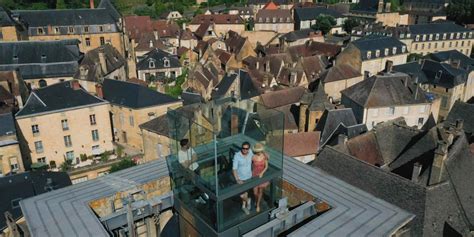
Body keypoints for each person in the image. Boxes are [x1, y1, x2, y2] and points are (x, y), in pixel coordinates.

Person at [233, 141, 254, 215]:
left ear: (249, 149)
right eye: (243, 148)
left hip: (249, 178)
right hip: (240, 179)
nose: (244, 150)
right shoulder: (237, 156)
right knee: (242, 195)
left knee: (245, 194)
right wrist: (237, 179)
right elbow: (234, 169)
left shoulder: (251, 152)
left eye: (246, 148)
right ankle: (248, 201)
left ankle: (244, 206)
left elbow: (259, 150)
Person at [252, 142, 269, 213]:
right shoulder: (253, 157)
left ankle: (258, 204)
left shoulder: (264, 156)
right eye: (257, 151)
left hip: (262, 175)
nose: (258, 152)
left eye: (259, 151)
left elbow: (266, 166)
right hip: (255, 175)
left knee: (260, 191)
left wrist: (262, 173)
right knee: (255, 192)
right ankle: (256, 201)